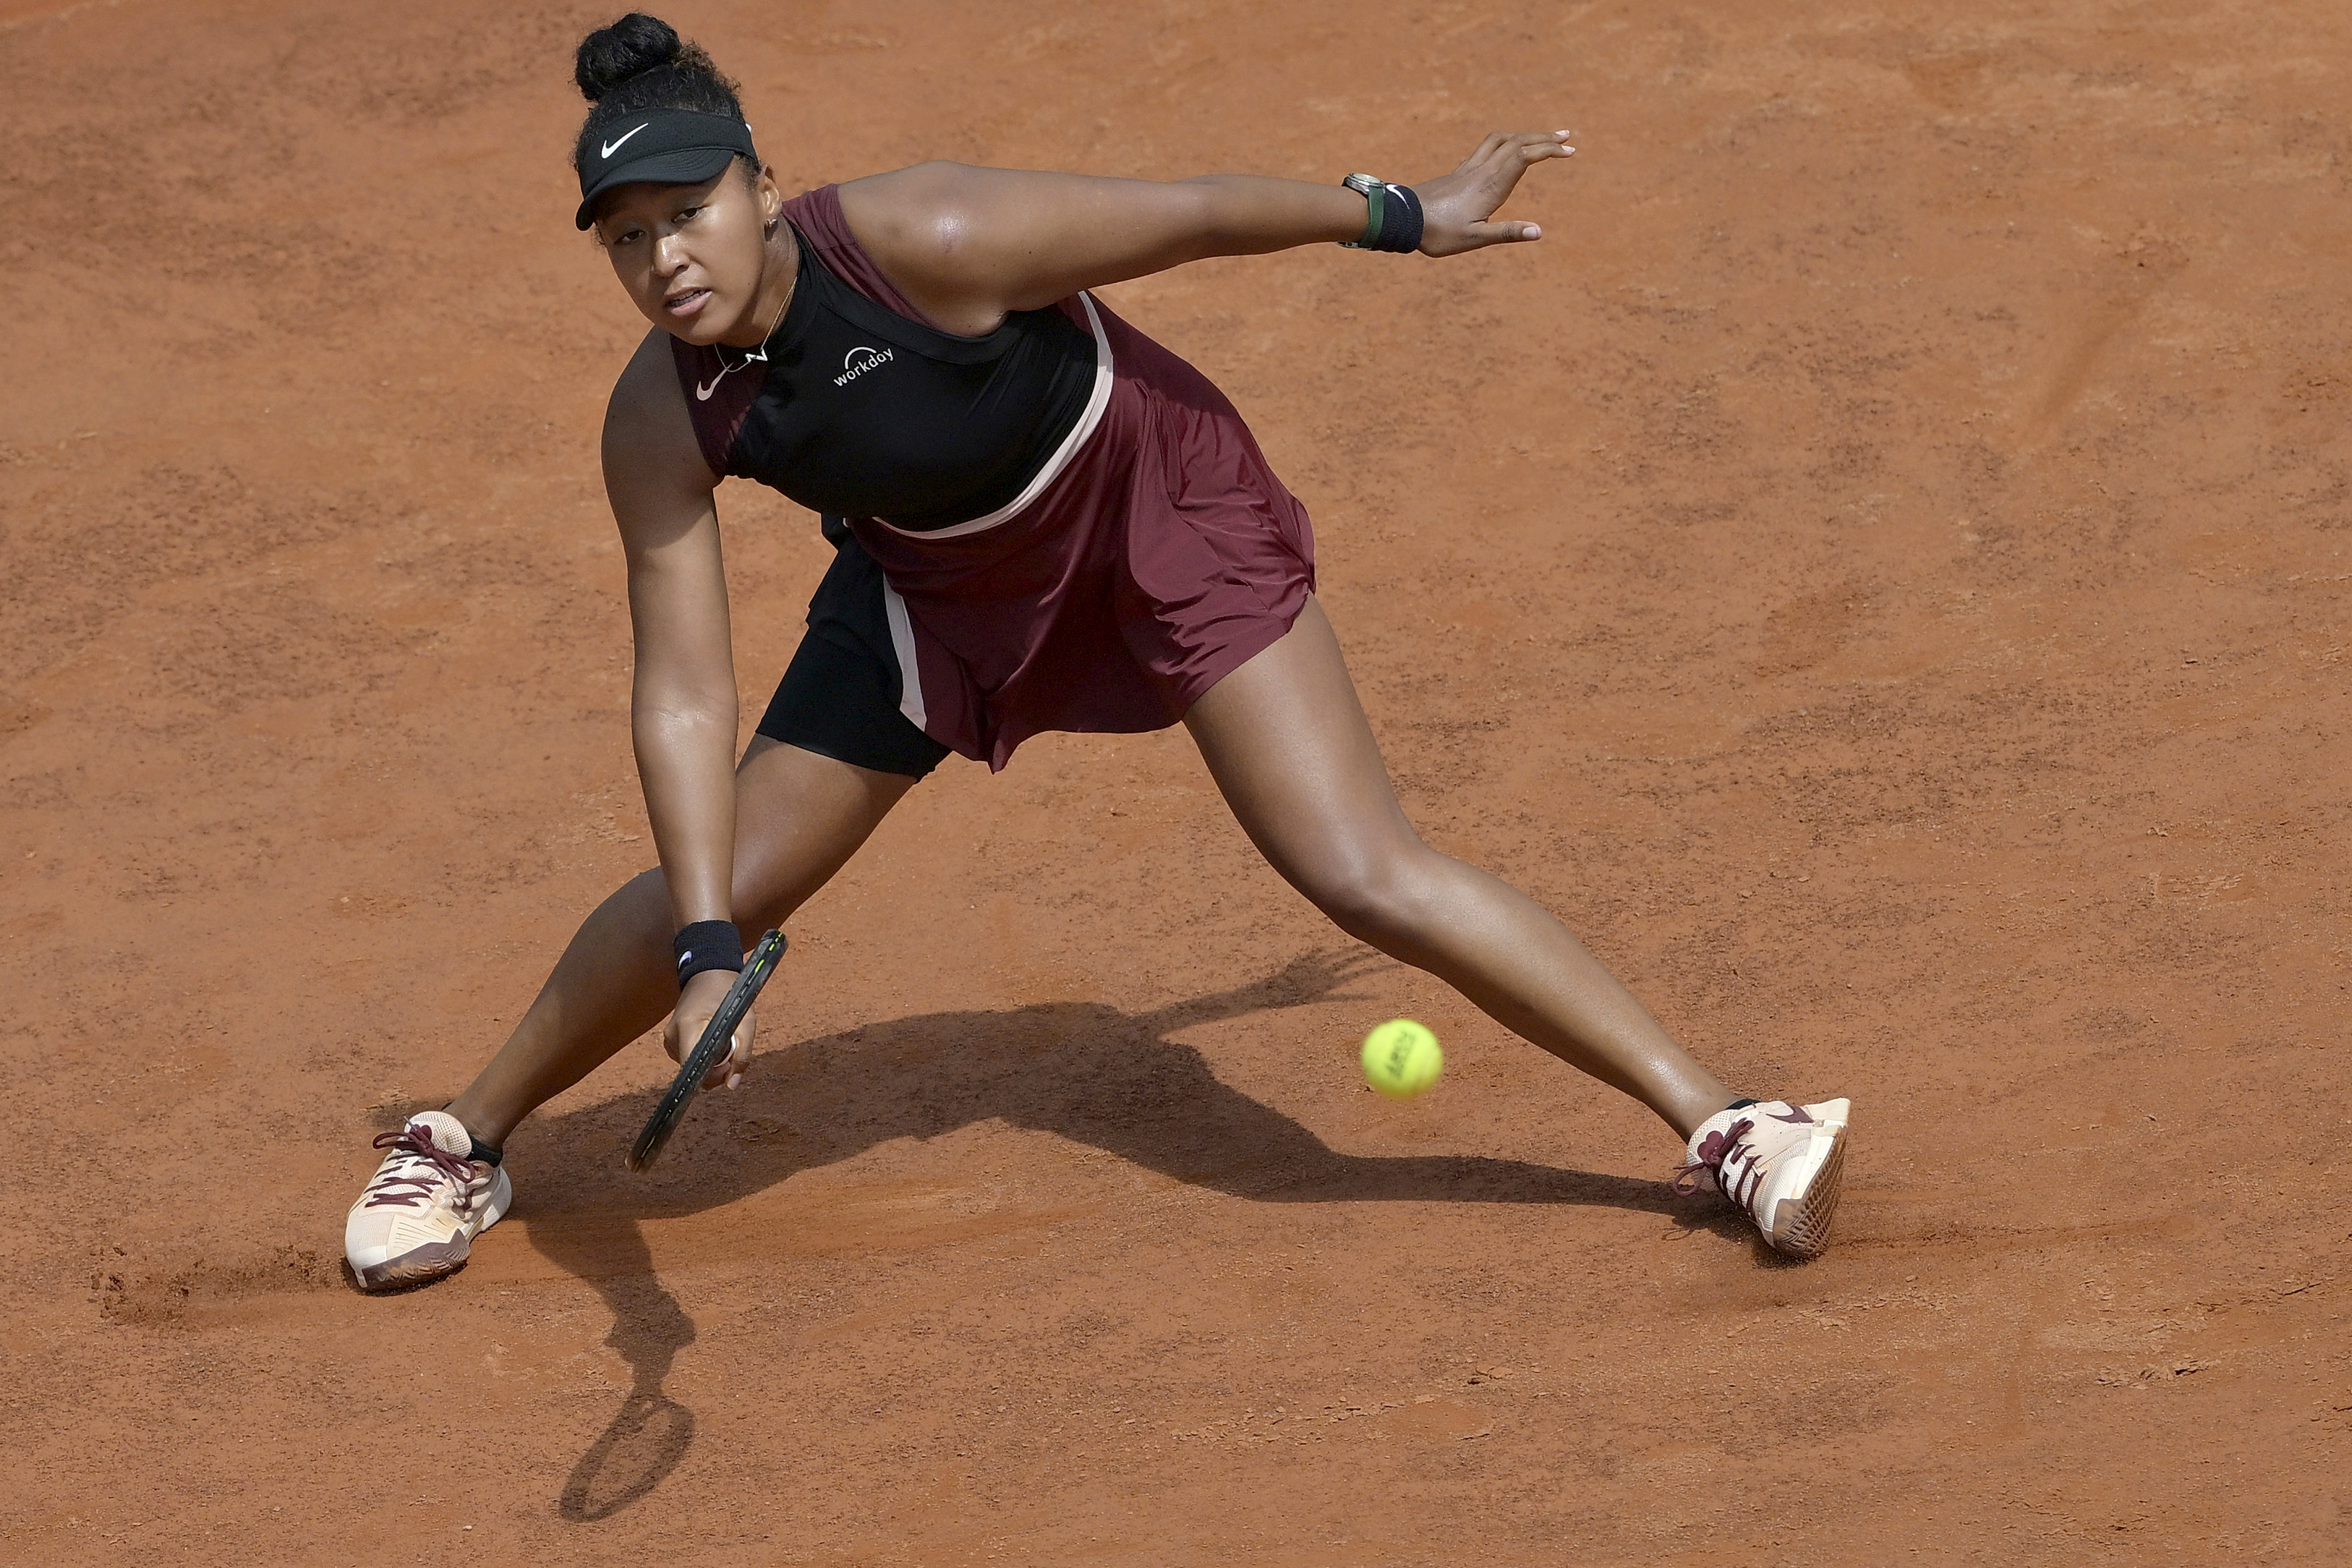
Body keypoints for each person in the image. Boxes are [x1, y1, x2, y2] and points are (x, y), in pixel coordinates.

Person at [344, 12, 1851, 1292]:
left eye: (689, 211)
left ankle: (1727, 1121)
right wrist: (706, 947)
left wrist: (1404, 213)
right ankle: (461, 1141)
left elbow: (1187, 210)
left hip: (1148, 504)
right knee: (723, 868)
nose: (665, 258)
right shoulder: (661, 417)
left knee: (1355, 863)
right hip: (936, 585)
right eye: (627, 240)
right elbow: (682, 684)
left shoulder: (924, 235)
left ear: (762, 185)